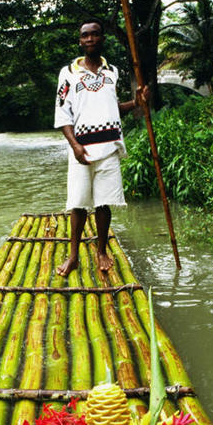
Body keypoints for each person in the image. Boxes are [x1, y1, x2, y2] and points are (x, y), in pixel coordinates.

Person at [54, 18, 148, 276]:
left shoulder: (111, 72)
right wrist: (75, 145)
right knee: (78, 203)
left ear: (102, 38)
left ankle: (102, 251)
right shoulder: (68, 73)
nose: (90, 39)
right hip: (82, 149)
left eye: (95, 34)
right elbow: (63, 114)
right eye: (85, 35)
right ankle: (73, 256)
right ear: (80, 41)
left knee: (104, 203)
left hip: (109, 146)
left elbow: (111, 108)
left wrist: (136, 103)